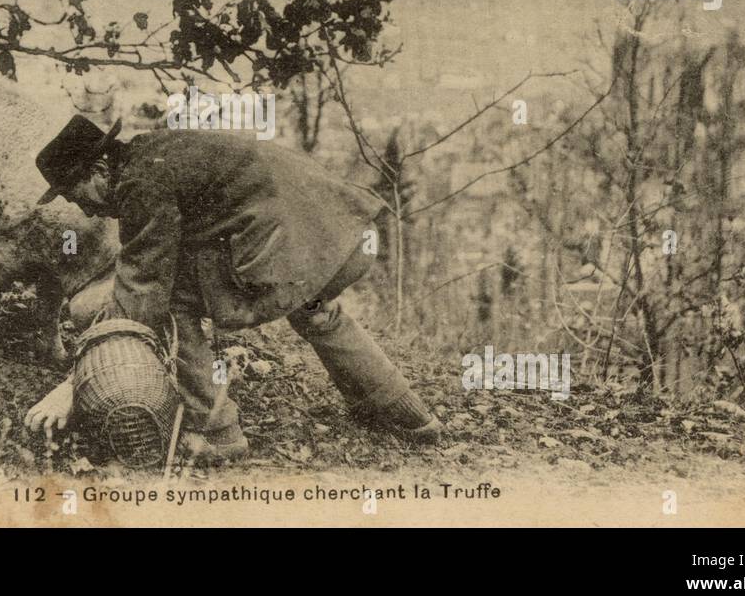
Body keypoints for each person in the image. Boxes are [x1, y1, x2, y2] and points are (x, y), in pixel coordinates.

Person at [23, 115, 440, 460]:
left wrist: (75, 384)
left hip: (284, 246)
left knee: (171, 302)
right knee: (316, 310)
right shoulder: (152, 150)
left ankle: (216, 433)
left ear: (98, 171)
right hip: (328, 234)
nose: (86, 209)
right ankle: (406, 413)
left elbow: (142, 293)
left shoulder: (139, 183)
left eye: (77, 196)